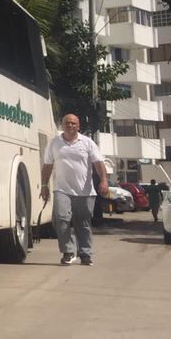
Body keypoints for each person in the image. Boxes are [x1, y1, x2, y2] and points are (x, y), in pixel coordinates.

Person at [41, 112, 109, 265]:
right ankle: (68, 251)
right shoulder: (54, 143)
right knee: (62, 219)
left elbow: (98, 163)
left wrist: (104, 180)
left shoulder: (87, 143)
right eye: (67, 123)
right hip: (62, 189)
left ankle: (85, 253)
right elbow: (47, 165)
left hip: (84, 191)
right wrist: (44, 185)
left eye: (73, 123)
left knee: (82, 222)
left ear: (78, 126)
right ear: (62, 125)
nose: (70, 125)